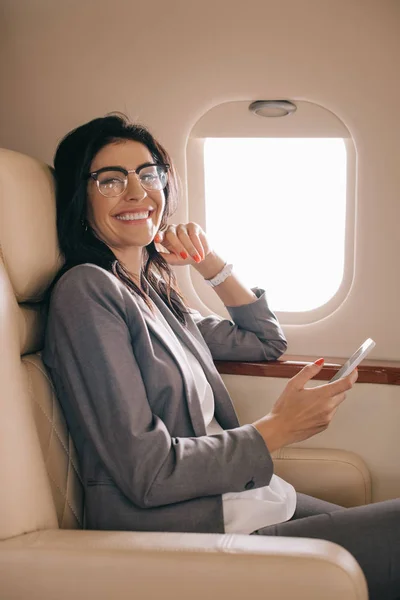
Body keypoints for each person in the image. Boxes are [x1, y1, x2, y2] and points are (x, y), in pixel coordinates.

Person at [43, 114, 399, 600]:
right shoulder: (87, 291)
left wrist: (208, 262)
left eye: (148, 175)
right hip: (182, 527)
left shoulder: (153, 292)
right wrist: (276, 429)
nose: (136, 192)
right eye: (110, 180)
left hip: (240, 496)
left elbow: (265, 342)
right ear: (79, 199)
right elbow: (146, 472)